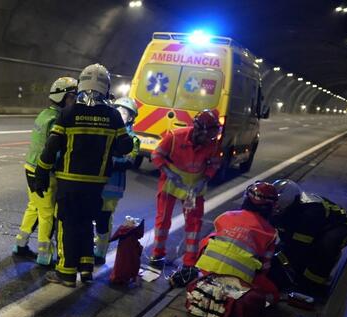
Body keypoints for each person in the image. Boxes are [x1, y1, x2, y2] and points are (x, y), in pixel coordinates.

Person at [34, 64, 133, 286]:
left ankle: (65, 273)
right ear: (106, 87)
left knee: (67, 224)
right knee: (86, 223)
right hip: (96, 183)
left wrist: (41, 173)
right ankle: (86, 269)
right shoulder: (113, 115)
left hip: (69, 181)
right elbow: (125, 146)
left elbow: (51, 147)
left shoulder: (69, 113)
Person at [150, 109, 222, 279]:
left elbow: (214, 164)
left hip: (193, 188)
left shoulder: (212, 144)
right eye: (207, 136)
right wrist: (169, 173)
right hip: (171, 184)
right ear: (198, 130)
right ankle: (158, 254)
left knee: (193, 224)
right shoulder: (175, 137)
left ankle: (189, 262)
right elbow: (156, 155)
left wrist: (204, 179)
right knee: (163, 220)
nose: (209, 141)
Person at [13, 76, 77, 266]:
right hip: (44, 171)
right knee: (47, 213)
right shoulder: (58, 119)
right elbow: (55, 149)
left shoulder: (44, 114)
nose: (74, 101)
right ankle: (44, 256)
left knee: (34, 207)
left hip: (30, 168)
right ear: (63, 97)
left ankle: (20, 244)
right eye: (72, 97)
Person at [186, 181, 280, 301]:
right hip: (238, 285)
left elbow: (205, 245)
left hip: (204, 274)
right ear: (271, 206)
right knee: (273, 294)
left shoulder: (226, 215)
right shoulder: (270, 233)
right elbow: (264, 268)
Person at [271, 179, 347, 295]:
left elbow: (298, 248)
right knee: (292, 247)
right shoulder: (289, 206)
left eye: (279, 207)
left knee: (325, 246)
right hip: (319, 227)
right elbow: (287, 238)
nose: (275, 210)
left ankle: (314, 286)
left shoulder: (310, 212)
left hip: (343, 226)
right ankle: (300, 276)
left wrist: (275, 262)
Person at [94, 96, 140, 265]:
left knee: (104, 219)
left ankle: (100, 253)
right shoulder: (105, 130)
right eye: (118, 111)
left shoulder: (132, 139)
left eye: (124, 113)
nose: (120, 115)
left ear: (131, 118)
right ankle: (93, 246)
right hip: (96, 183)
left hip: (112, 188)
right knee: (92, 216)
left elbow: (128, 161)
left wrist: (107, 160)